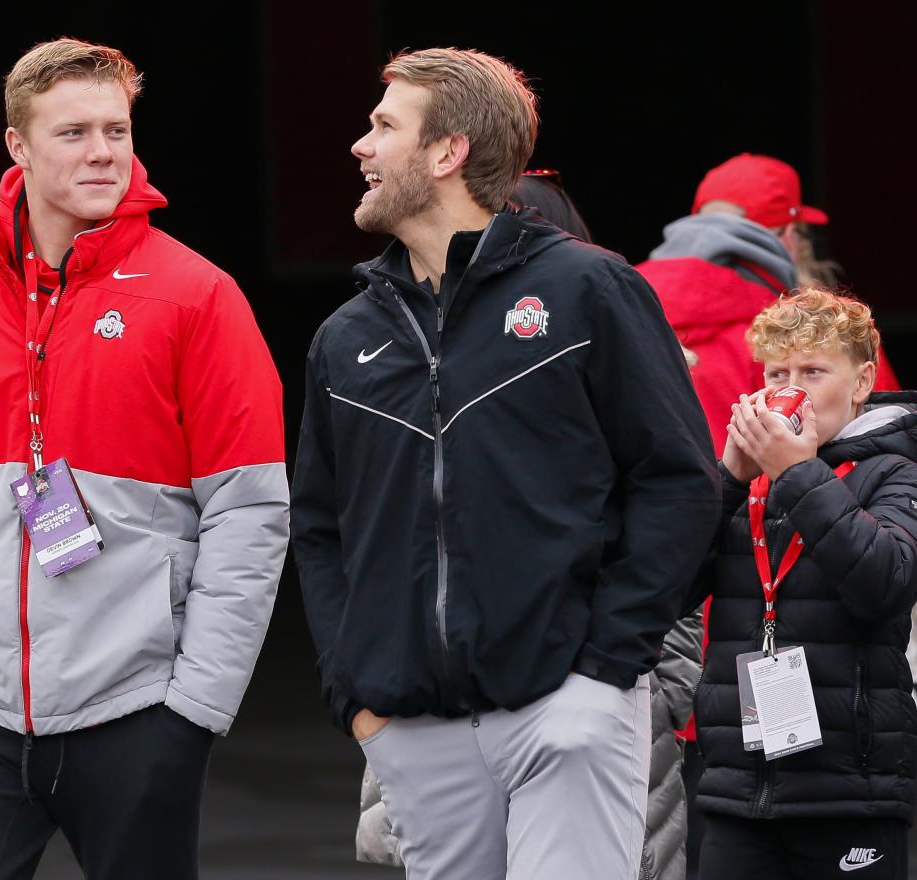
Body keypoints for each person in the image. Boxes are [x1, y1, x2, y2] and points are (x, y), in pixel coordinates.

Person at [291, 48, 721, 879]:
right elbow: (318, 526)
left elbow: (679, 482)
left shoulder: (590, 289)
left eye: (384, 126)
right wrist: (359, 699)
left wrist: (603, 674)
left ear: (447, 153)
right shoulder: (344, 339)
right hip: (413, 733)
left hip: (566, 706)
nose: (360, 146)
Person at [0, 39, 288, 879]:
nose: (103, 152)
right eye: (73, 133)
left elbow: (250, 513)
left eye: (117, 129)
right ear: (17, 147)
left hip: (135, 715)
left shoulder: (198, 296)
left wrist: (195, 708)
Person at [353, 168, 705, 880]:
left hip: (585, 699)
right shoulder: (374, 340)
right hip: (437, 710)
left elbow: (677, 512)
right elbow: (349, 533)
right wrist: (364, 699)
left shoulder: (603, 324)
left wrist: (609, 676)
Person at [692, 288, 917, 879]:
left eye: (814, 371)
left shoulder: (894, 470)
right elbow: (673, 592)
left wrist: (798, 472)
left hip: (851, 787)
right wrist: (728, 483)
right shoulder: (751, 483)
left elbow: (884, 584)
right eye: (776, 373)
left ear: (863, 380)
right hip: (735, 785)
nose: (789, 388)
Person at [637, 153, 900, 459]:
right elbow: (885, 434)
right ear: (788, 235)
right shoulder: (819, 323)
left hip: (666, 501)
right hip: (787, 501)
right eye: (802, 232)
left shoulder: (628, 302)